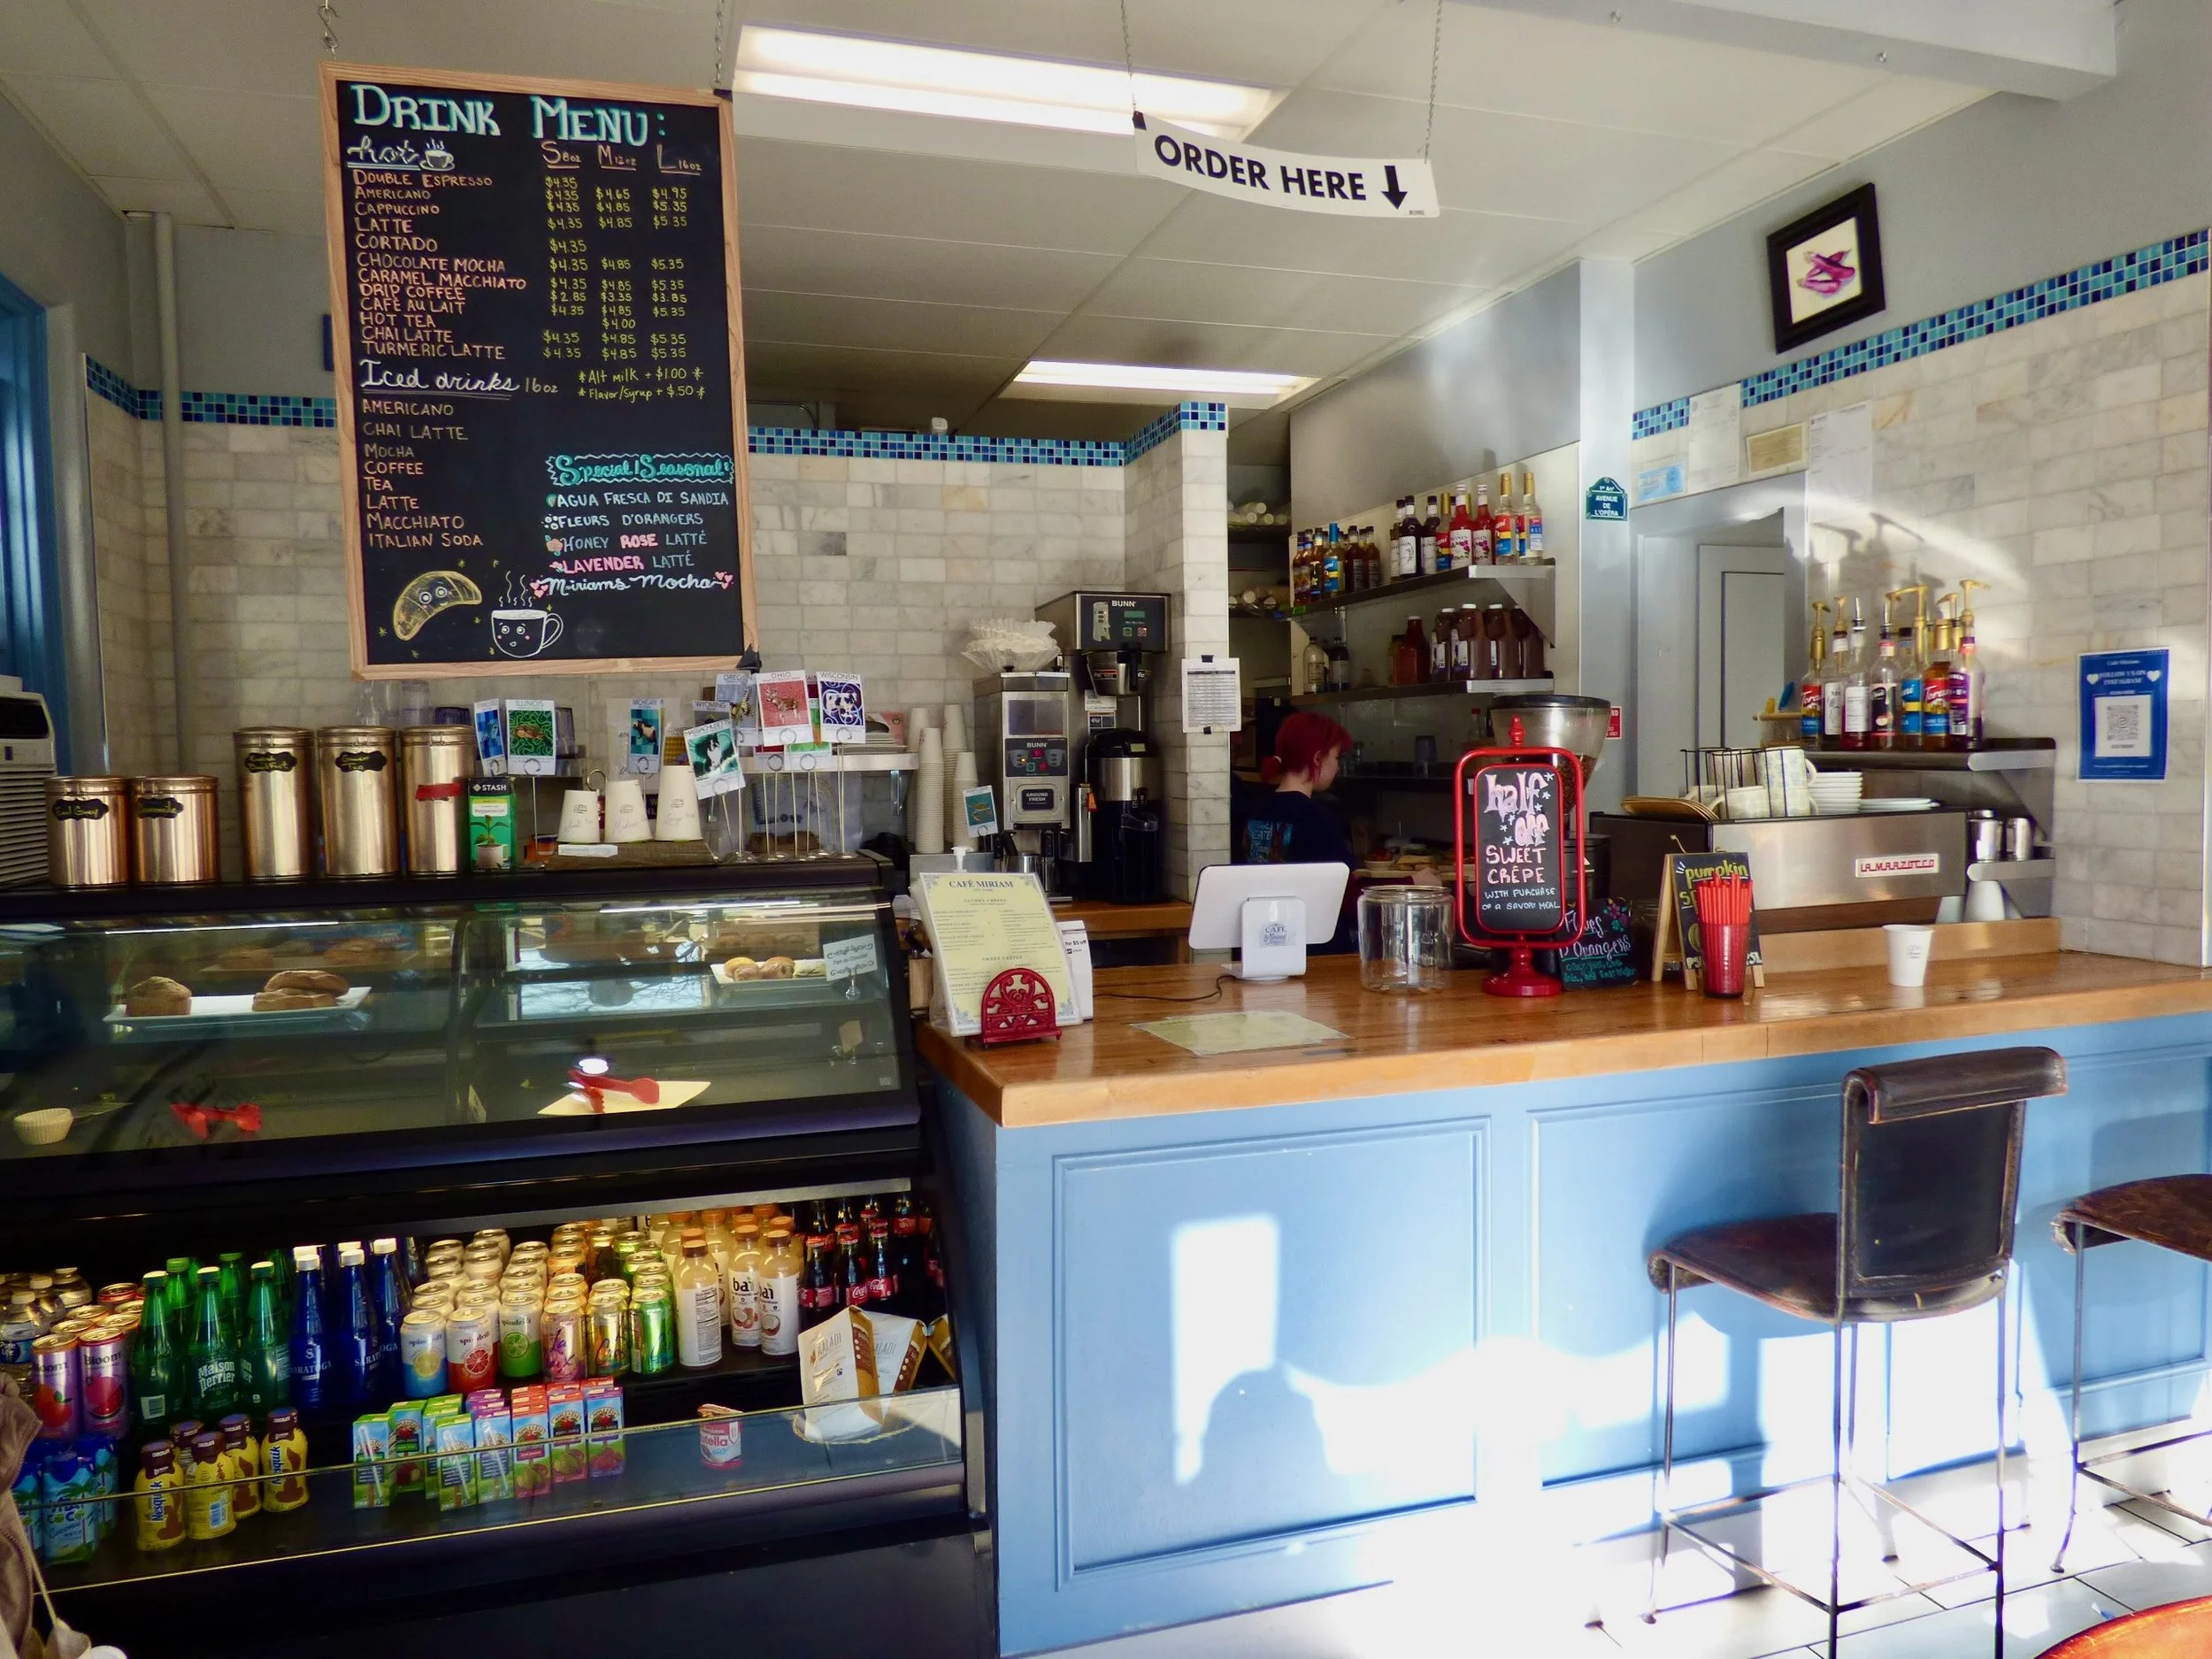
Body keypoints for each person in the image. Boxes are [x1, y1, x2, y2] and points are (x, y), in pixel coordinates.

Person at [1239, 712, 1357, 951]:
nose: (1337, 766)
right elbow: (1346, 894)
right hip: (1318, 950)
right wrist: (1411, 883)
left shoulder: (1259, 810)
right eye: (1335, 757)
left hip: (1267, 941)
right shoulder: (1317, 817)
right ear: (1317, 759)